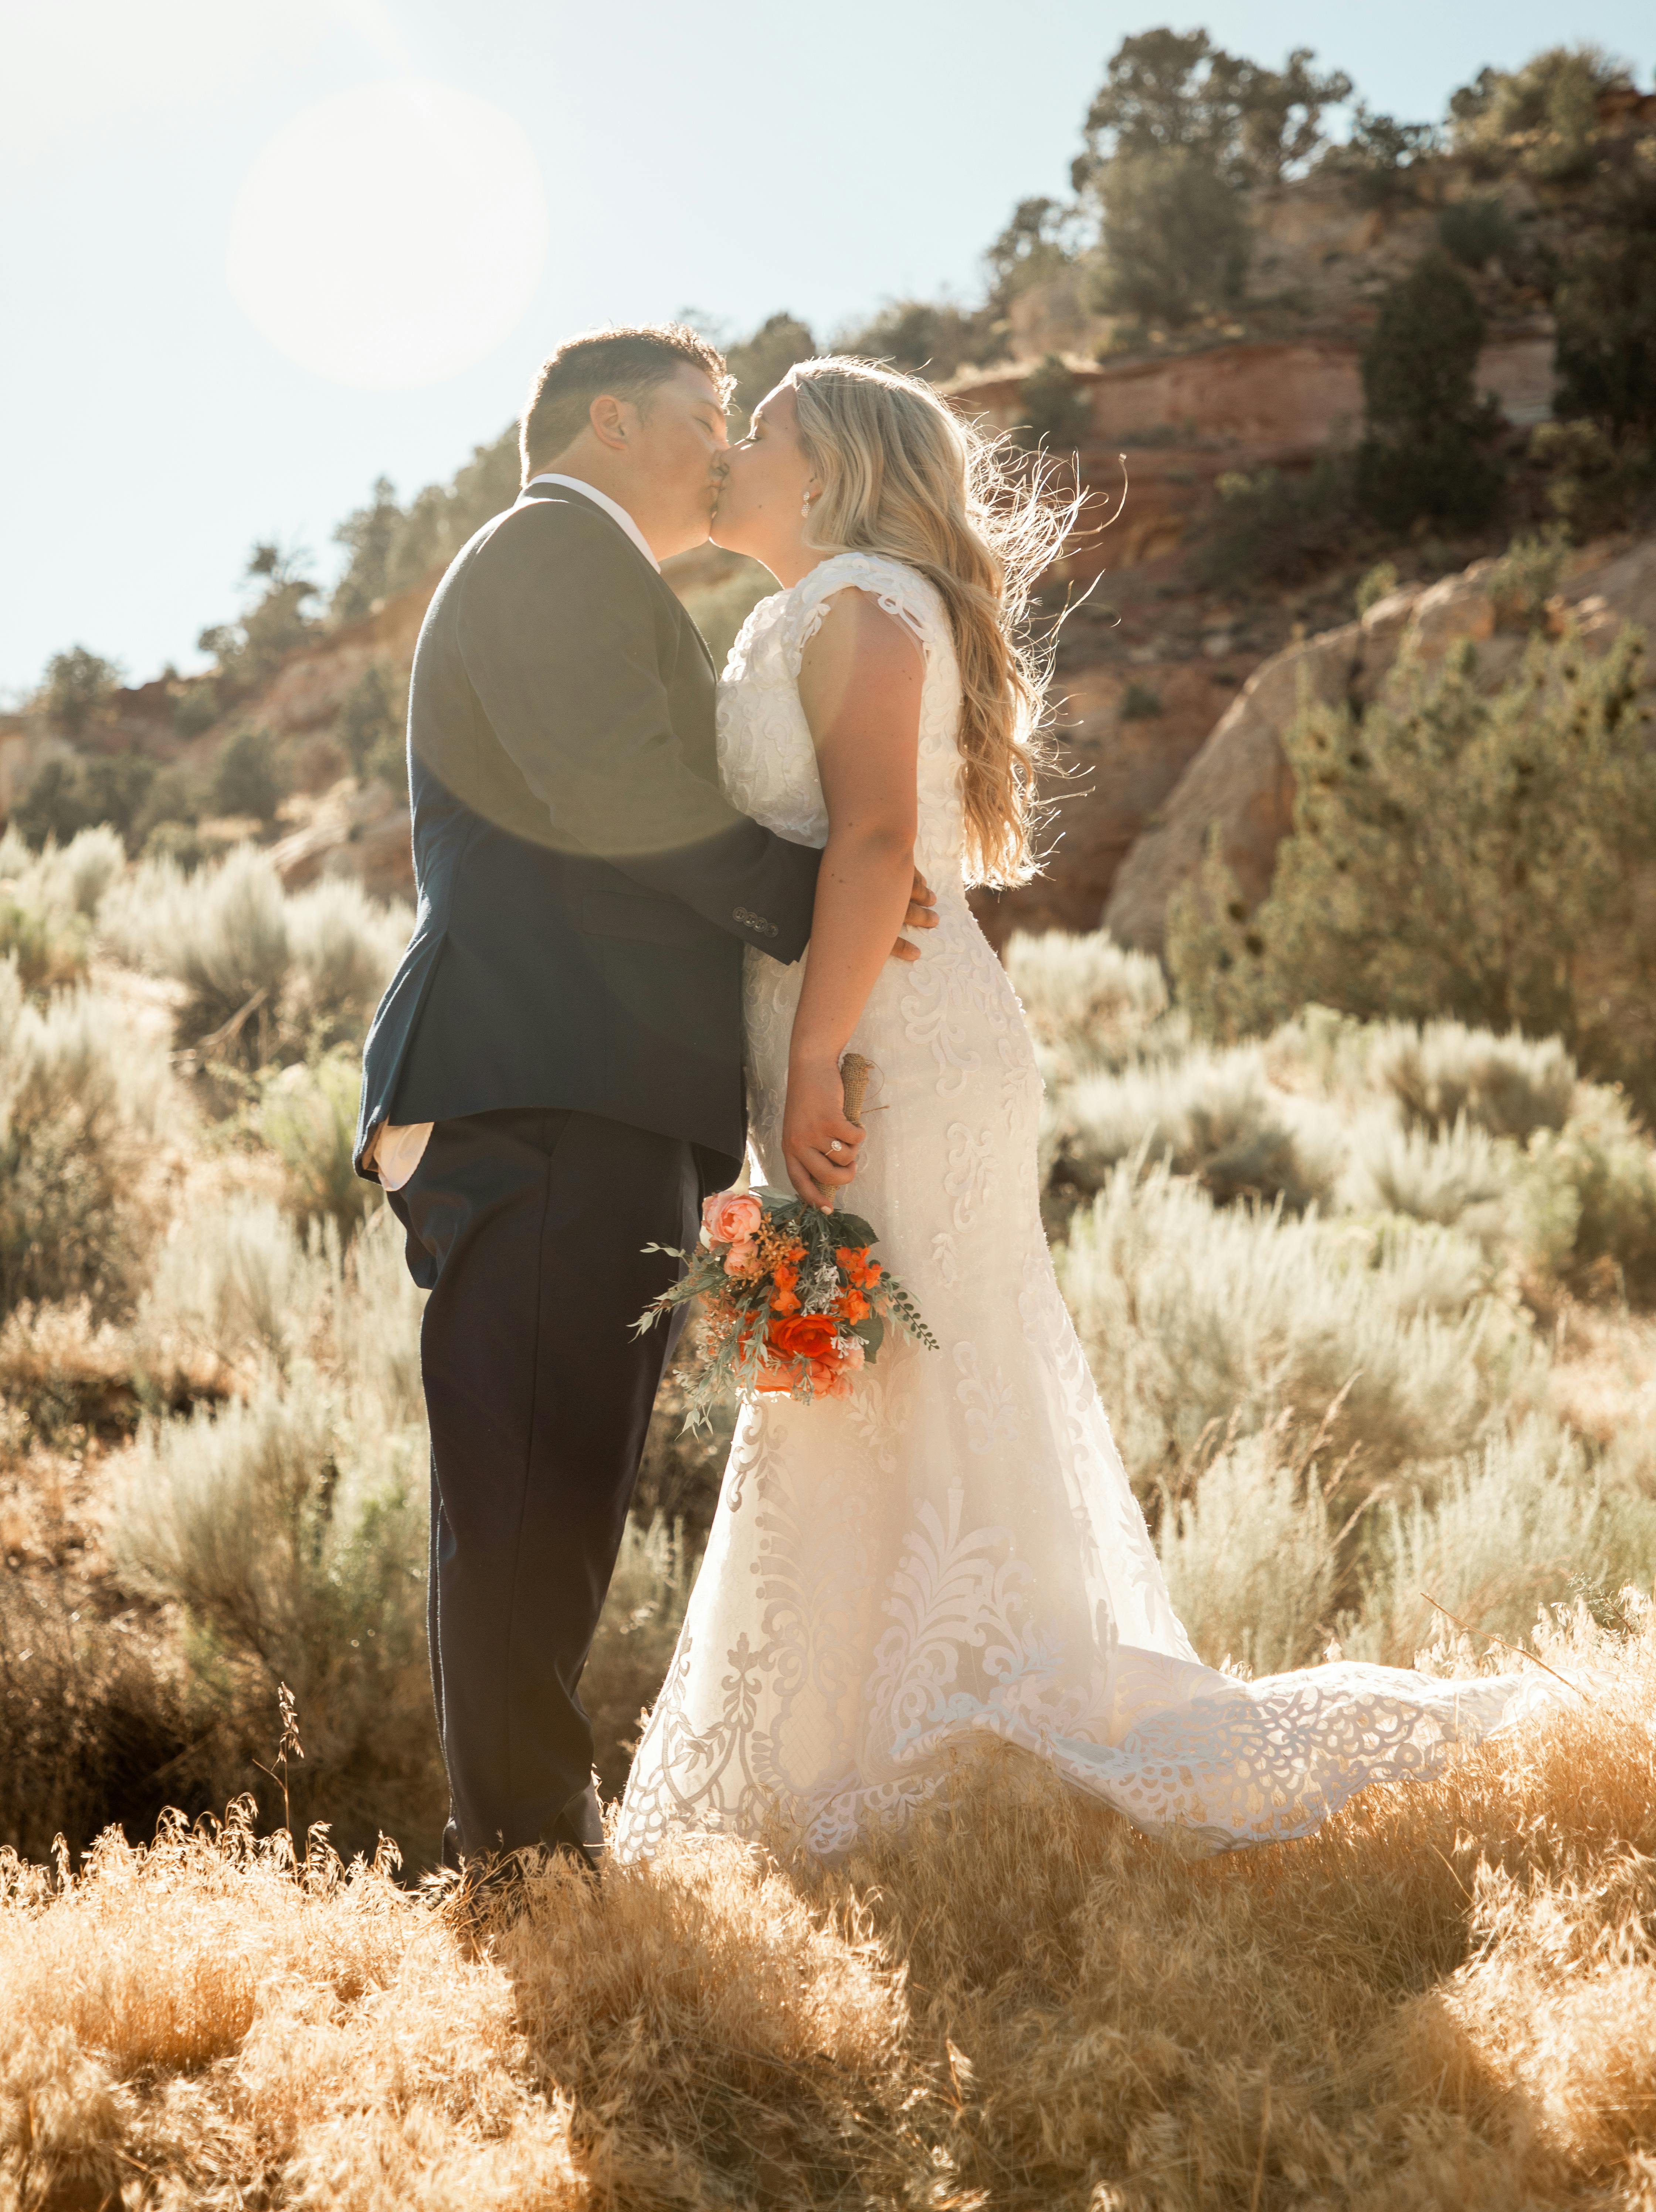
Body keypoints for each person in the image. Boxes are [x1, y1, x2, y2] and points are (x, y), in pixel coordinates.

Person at [615, 357, 1545, 1862]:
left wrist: (806, 1070)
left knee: (910, 1375)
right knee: (853, 1384)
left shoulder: (861, 600)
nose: (733, 450)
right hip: (838, 1044)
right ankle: (850, 1763)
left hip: (886, 1056)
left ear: (837, 468)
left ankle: (940, 1749)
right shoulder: (812, 610)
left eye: (764, 430)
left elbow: (869, 846)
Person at [352, 324, 936, 1879]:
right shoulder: (552, 554)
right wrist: (812, 894)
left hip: (586, 1086)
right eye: (704, 415)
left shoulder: (600, 576)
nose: (727, 440)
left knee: (546, 1487)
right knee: (535, 1490)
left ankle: (527, 1857)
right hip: (545, 1080)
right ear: (610, 424)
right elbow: (616, 785)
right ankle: (534, 1879)